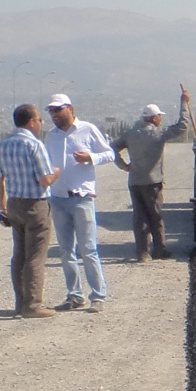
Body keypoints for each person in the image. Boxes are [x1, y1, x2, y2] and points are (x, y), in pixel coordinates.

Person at [40, 93, 116, 312]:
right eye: (51, 111)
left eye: (58, 110)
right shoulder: (51, 136)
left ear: (70, 109)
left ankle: (98, 296)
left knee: (88, 249)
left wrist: (90, 157)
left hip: (81, 199)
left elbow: (109, 154)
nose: (54, 114)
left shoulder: (87, 129)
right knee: (66, 251)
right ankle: (74, 295)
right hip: (58, 199)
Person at [0, 103, 60, 318]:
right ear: (31, 122)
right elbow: (45, 179)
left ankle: (20, 302)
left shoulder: (2, 146)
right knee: (35, 257)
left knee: (19, 255)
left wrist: (2, 207)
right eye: (39, 120)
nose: (40, 124)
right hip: (35, 204)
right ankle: (32, 305)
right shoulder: (34, 145)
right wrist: (57, 172)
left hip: (14, 203)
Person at [113, 90, 189, 261]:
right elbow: (182, 127)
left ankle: (142, 253)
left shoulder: (130, 134)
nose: (160, 119)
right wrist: (184, 103)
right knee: (155, 217)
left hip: (134, 181)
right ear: (154, 118)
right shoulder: (157, 133)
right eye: (159, 116)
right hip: (153, 183)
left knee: (139, 218)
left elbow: (112, 148)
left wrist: (124, 166)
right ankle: (159, 250)